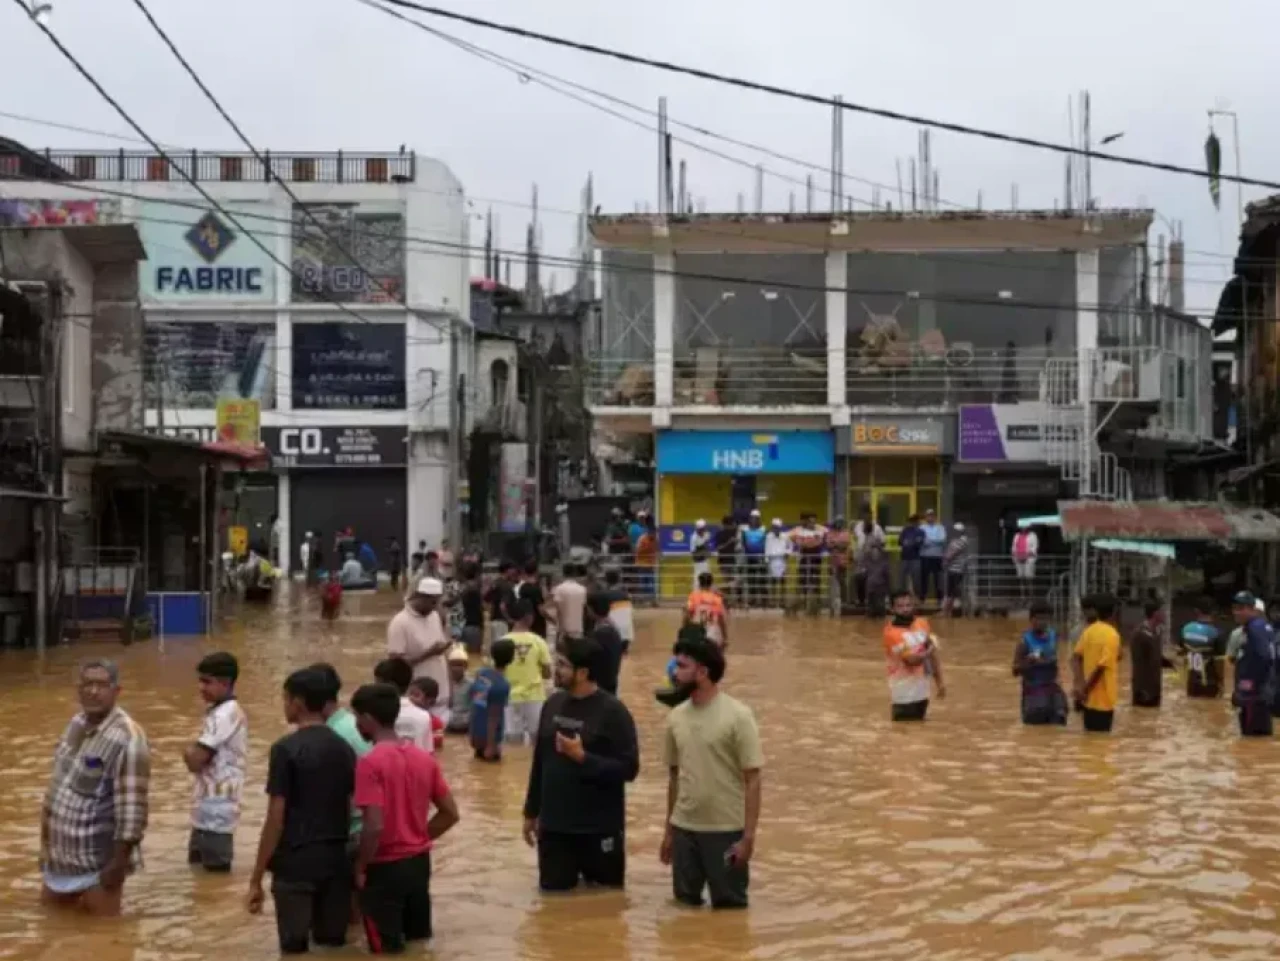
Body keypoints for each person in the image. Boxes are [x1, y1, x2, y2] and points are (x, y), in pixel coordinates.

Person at [247, 668, 357, 954]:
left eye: (285, 699)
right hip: (336, 861)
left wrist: (256, 877)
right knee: (333, 947)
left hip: (295, 864)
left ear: (297, 703)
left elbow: (276, 817)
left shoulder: (284, 750)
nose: (284, 705)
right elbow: (349, 806)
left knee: (294, 949)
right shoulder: (344, 748)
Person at [522, 635, 640, 892]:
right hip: (554, 829)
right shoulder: (552, 704)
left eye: (563, 665)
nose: (556, 669)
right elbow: (539, 761)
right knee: (553, 903)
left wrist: (584, 758)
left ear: (583, 673)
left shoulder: (614, 712)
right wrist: (530, 812)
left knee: (606, 903)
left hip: (598, 830)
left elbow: (629, 769)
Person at [350, 683, 460, 954]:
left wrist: (360, 866)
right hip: (419, 864)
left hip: (384, 868)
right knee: (418, 945)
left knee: (385, 950)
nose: (356, 724)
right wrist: (417, 836)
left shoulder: (369, 763)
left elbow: (374, 825)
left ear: (368, 719)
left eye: (357, 717)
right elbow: (450, 814)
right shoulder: (423, 759)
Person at [660, 634, 763, 909]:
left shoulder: (739, 716)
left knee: (730, 912)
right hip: (684, 830)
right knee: (683, 910)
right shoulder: (675, 717)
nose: (674, 673)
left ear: (703, 672)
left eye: (682, 666)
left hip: (726, 832)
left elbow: (753, 780)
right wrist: (669, 832)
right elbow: (673, 778)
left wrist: (748, 838)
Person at [41, 659, 150, 916]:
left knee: (106, 936)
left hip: (96, 869)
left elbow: (133, 812)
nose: (93, 691)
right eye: (87, 684)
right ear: (78, 689)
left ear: (116, 691)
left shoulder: (128, 737)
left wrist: (117, 866)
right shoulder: (76, 723)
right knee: (50, 928)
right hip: (59, 863)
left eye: (101, 685)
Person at [186, 652, 247, 873]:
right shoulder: (220, 712)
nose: (201, 688)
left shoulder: (225, 715)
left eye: (206, 682)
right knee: (200, 877)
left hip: (218, 812)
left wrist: (187, 751)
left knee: (215, 876)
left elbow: (195, 761)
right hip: (206, 809)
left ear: (225, 683)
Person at [386, 577, 451, 719]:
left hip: (441, 695)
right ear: (420, 597)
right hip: (417, 700)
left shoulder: (434, 616)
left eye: (437, 602)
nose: (435, 607)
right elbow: (395, 666)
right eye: (432, 602)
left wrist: (451, 688)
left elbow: (442, 656)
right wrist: (429, 653)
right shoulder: (400, 622)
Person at [883, 590, 946, 721]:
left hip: (922, 690)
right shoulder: (891, 633)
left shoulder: (922, 623)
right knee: (904, 728)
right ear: (892, 609)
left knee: (919, 727)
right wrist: (930, 649)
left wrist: (940, 683)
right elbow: (911, 661)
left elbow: (933, 657)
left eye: (908, 605)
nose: (905, 609)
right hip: (903, 693)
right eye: (900, 606)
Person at [502, 599, 553, 745]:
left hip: (510, 697)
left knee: (513, 743)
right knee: (537, 741)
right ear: (529, 617)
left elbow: (496, 673)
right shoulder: (539, 641)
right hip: (535, 697)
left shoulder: (502, 642)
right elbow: (547, 673)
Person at [1071, 594, 1122, 733]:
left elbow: (1075, 657)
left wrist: (1080, 686)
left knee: (1089, 737)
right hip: (1103, 700)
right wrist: (1085, 690)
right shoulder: (1112, 635)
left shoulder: (1089, 631)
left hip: (1088, 700)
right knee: (1102, 741)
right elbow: (1101, 667)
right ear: (1114, 612)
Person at [1011, 601, 1067, 725]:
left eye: (1046, 619)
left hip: (1053, 691)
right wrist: (1029, 661)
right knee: (1035, 727)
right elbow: (1015, 670)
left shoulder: (1053, 636)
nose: (1043, 622)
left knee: (1059, 723)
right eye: (1039, 619)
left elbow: (1055, 661)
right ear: (1031, 620)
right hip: (1033, 693)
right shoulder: (1024, 642)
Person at [1230, 591, 1275, 737]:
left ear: (1252, 609)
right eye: (1234, 608)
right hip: (1261, 693)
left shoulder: (1254, 629)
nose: (1236, 612)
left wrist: (1246, 689)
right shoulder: (1263, 626)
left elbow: (1263, 658)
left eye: (1241, 609)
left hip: (1254, 696)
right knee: (1259, 739)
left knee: (1253, 738)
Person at [373, 658, 434, 753]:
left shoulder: (373, 714)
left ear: (382, 684)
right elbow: (429, 753)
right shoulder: (424, 716)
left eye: (376, 682)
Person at [470, 638, 514, 760]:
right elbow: (494, 717)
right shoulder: (502, 685)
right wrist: (491, 746)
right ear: (511, 658)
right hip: (490, 739)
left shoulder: (481, 673)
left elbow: (475, 702)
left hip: (475, 733)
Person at [1179, 597, 1226, 699]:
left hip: (1191, 683)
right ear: (1213, 612)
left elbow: (1182, 655)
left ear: (1196, 611)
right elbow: (1219, 663)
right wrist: (1221, 683)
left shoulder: (1186, 629)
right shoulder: (1217, 633)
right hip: (1210, 684)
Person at [587, 591, 626, 696]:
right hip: (610, 681)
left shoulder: (602, 632)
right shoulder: (611, 626)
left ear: (592, 609)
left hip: (603, 685)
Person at [1130, 599, 1166, 708]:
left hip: (1155, 687)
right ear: (1156, 614)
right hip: (1143, 688)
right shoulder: (1139, 634)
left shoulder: (1158, 631)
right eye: (1162, 611)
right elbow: (1137, 661)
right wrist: (1140, 689)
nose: (1165, 614)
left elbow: (1154, 656)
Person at [790, 513, 827, 612]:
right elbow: (796, 540)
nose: (812, 523)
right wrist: (809, 543)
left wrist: (808, 543)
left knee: (816, 581)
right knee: (803, 580)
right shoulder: (801, 531)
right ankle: (803, 601)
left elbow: (819, 542)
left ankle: (817, 603)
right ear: (807, 522)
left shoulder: (820, 530)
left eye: (814, 521)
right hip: (804, 559)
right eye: (810, 522)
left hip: (816, 559)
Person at [685, 571, 730, 648]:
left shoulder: (693, 596)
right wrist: (725, 637)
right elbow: (721, 620)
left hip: (697, 634)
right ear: (711, 584)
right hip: (712, 636)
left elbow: (687, 615)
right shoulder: (717, 599)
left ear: (699, 583)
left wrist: (686, 632)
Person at [486, 561, 520, 649]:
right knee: (502, 649)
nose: (514, 572)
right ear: (507, 570)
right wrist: (509, 619)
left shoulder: (495, 583)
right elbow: (503, 606)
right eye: (512, 570)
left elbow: (486, 598)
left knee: (495, 648)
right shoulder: (506, 586)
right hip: (502, 622)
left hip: (494, 620)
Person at [551, 563, 589, 643]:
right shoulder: (582, 589)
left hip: (564, 629)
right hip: (578, 628)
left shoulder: (559, 589)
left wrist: (559, 627)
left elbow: (558, 610)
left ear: (563, 573)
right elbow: (584, 609)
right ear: (575, 573)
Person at [516, 558, 551, 640]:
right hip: (537, 624)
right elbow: (541, 609)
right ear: (536, 572)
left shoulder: (522, 588)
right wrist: (551, 619)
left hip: (525, 622)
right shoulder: (535, 589)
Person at [408, 678, 447, 751]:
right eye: (410, 694)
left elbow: (437, 743)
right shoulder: (405, 718)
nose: (410, 698)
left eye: (416, 695)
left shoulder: (435, 722)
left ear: (430, 701)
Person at [456, 562, 486, 655]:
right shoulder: (474, 588)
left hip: (463, 625)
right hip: (473, 625)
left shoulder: (463, 588)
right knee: (474, 655)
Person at [942, 523, 971, 616]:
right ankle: (948, 611)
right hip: (951, 568)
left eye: (956, 530)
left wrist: (945, 559)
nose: (954, 531)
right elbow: (949, 551)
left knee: (953, 590)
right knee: (950, 590)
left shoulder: (963, 540)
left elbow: (952, 553)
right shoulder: (955, 540)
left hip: (958, 569)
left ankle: (947, 610)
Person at [919, 509, 947, 605]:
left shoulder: (940, 527)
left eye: (932, 515)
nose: (930, 517)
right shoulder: (922, 528)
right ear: (926, 517)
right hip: (925, 556)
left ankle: (939, 598)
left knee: (938, 579)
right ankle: (922, 598)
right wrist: (934, 541)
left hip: (937, 556)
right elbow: (922, 540)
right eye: (928, 516)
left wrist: (929, 540)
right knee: (924, 578)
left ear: (935, 517)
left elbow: (942, 539)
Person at [739, 510, 767, 607]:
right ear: (750, 519)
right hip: (749, 558)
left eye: (756, 518)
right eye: (752, 518)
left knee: (761, 580)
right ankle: (753, 600)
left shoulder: (763, 529)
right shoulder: (745, 530)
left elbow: (765, 543)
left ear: (759, 519)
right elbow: (743, 543)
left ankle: (763, 601)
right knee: (751, 580)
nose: (754, 520)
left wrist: (763, 556)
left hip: (760, 558)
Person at [825, 517, 852, 615]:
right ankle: (832, 604)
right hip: (832, 560)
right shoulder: (830, 533)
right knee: (832, 582)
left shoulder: (846, 533)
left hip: (842, 561)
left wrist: (835, 544)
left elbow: (844, 546)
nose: (838, 525)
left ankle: (844, 602)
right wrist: (837, 545)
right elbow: (829, 545)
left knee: (842, 581)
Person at [445, 647, 474, 735]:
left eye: (459, 665)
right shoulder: (444, 683)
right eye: (453, 665)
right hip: (448, 723)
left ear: (466, 666)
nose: (456, 668)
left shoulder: (472, 684)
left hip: (466, 724)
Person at [713, 514, 740, 606]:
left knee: (735, 582)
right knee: (729, 582)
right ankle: (729, 600)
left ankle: (733, 601)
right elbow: (718, 548)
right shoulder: (719, 534)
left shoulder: (735, 532)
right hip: (724, 561)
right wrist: (729, 542)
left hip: (734, 561)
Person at [764, 519, 791, 609]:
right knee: (773, 582)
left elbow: (790, 546)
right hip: (772, 561)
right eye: (774, 527)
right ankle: (773, 601)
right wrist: (766, 560)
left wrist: (788, 553)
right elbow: (766, 548)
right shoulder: (768, 536)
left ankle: (783, 601)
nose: (776, 529)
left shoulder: (785, 536)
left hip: (782, 560)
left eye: (777, 527)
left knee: (783, 581)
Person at [1011, 524, 1039, 602]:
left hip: (1028, 560)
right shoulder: (1016, 535)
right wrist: (1014, 554)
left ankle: (1031, 598)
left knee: (1029, 579)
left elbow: (1034, 547)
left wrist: (1027, 554)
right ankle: (1022, 597)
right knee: (1021, 579)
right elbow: (1014, 547)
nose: (1023, 527)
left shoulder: (1033, 535)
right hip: (1018, 559)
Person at [898, 513, 923, 598]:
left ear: (917, 522)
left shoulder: (920, 531)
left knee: (916, 580)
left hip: (915, 558)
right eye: (911, 521)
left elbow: (918, 543)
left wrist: (908, 542)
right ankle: (902, 598)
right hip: (904, 558)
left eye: (914, 521)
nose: (912, 523)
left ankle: (917, 598)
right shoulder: (905, 531)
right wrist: (909, 542)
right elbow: (900, 542)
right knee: (902, 580)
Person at [690, 519, 713, 590]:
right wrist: (703, 552)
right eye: (700, 529)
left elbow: (707, 545)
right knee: (697, 578)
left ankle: (707, 593)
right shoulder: (693, 538)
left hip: (706, 560)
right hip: (698, 562)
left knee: (708, 576)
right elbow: (693, 552)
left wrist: (707, 551)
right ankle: (696, 592)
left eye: (703, 528)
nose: (702, 530)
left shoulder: (707, 534)